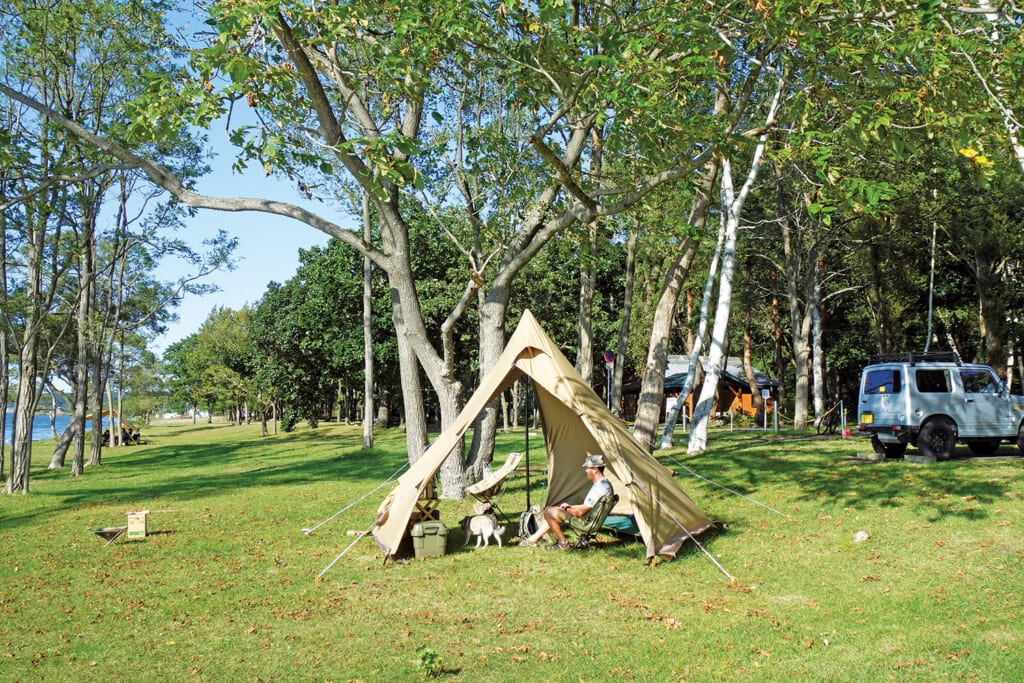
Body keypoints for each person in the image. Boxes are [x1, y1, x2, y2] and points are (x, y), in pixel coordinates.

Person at [518, 453, 613, 550]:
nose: (585, 470)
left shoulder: (599, 488)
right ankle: (533, 539)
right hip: (591, 519)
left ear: (595, 469)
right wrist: (568, 507)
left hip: (586, 522)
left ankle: (563, 543)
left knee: (549, 511)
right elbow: (586, 506)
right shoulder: (603, 484)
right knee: (553, 509)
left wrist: (568, 509)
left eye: (587, 468)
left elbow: (580, 512)